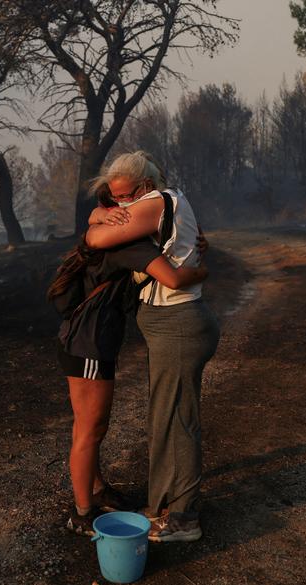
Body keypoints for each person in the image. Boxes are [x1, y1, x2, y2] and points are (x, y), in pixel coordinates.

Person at [49, 188, 209, 536]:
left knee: (87, 427)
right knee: (91, 430)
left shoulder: (111, 235)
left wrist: (98, 217)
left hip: (80, 340)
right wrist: (201, 271)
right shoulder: (130, 246)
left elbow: (94, 221)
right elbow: (174, 278)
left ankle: (94, 490)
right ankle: (81, 513)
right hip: (89, 346)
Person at [85, 151, 220, 543]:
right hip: (173, 324)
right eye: (114, 198)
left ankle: (183, 519)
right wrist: (102, 213)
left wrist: (100, 221)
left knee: (176, 420)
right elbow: (98, 222)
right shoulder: (165, 202)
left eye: (125, 197)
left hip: (178, 324)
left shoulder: (156, 202)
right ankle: (163, 505)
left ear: (144, 186)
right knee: (164, 417)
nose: (120, 206)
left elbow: (96, 238)